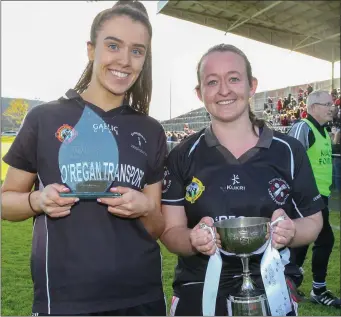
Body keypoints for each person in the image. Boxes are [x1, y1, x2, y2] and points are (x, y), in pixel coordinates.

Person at [1, 1, 167, 316]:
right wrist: (37, 200)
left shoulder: (151, 130)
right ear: (91, 50)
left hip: (141, 299)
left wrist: (144, 207)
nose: (124, 60)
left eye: (137, 50)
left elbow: (156, 226)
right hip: (65, 300)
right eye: (113, 45)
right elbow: (6, 203)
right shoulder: (44, 118)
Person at [160, 44, 324, 316]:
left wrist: (291, 231)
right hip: (198, 291)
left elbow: (313, 222)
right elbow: (169, 232)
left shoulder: (289, 151)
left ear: (252, 86)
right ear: (200, 93)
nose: (224, 90)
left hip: (272, 290)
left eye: (234, 78)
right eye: (212, 82)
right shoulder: (182, 155)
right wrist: (192, 238)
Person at [288, 90, 340, 308]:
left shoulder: (323, 131)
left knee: (302, 241)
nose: (332, 108)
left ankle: (289, 280)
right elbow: (288, 159)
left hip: (321, 196)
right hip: (306, 199)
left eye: (332, 104)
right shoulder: (303, 127)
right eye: (327, 104)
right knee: (325, 239)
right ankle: (318, 289)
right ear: (312, 107)